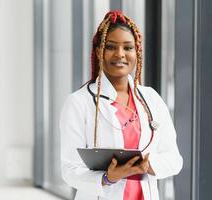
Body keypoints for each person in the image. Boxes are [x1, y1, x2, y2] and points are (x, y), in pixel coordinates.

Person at [60, 10, 183, 200]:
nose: (120, 54)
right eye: (110, 47)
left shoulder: (151, 99)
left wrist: (147, 165)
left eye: (128, 47)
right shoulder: (79, 102)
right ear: (99, 51)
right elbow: (69, 169)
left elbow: (174, 160)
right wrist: (107, 178)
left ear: (137, 52)